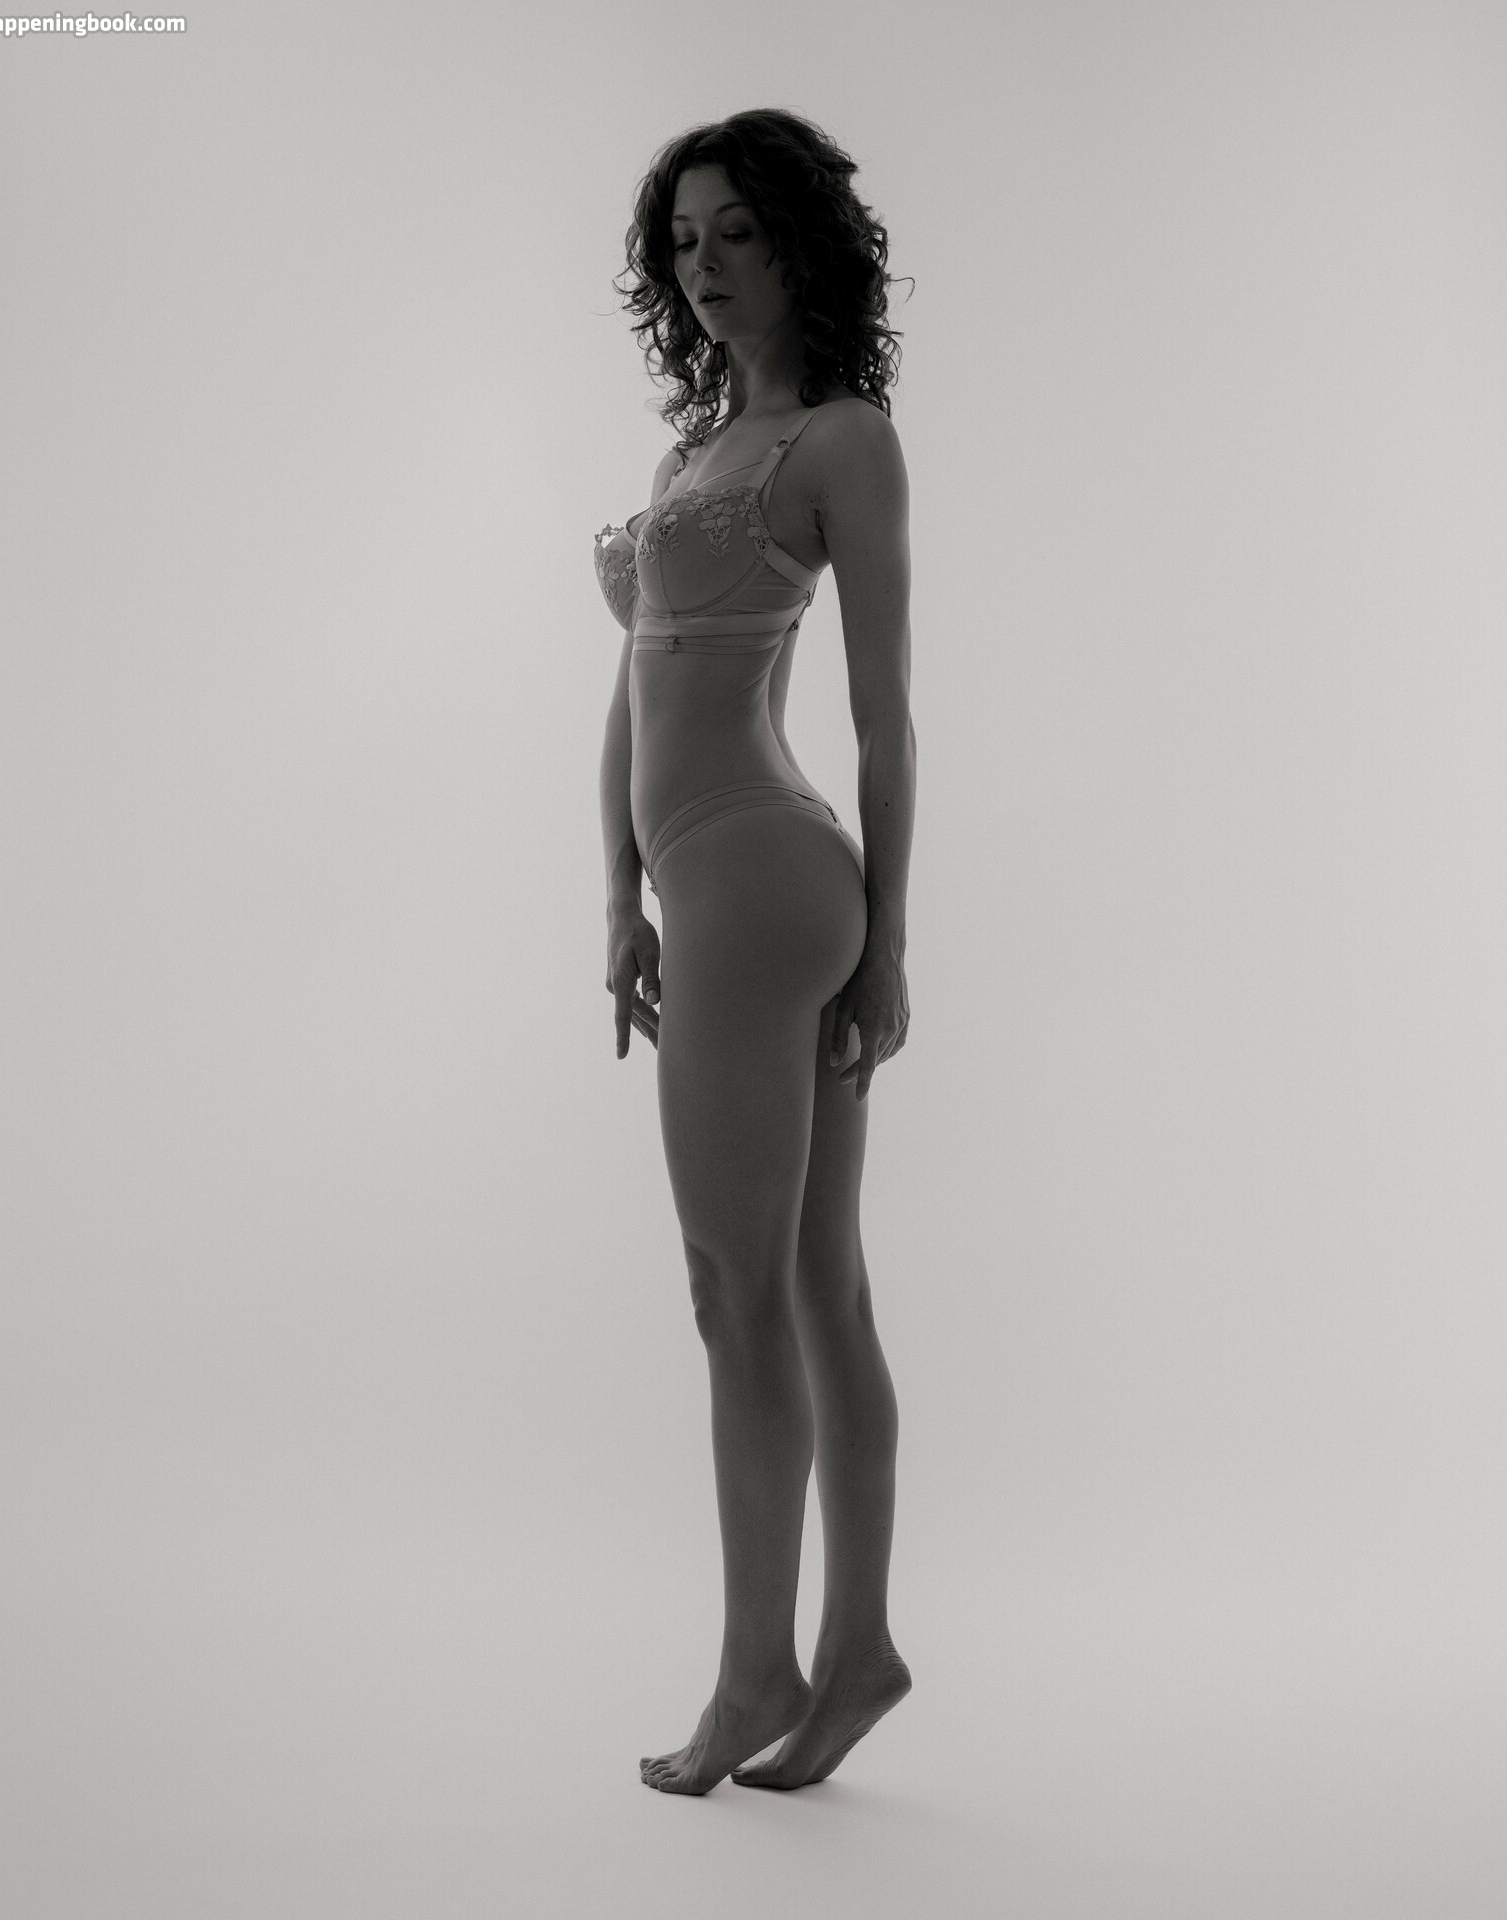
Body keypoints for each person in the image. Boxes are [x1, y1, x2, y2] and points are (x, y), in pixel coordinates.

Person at [594, 108, 916, 1796]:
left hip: (765, 882)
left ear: (801, 244)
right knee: (811, 1286)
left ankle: (752, 1678)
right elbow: (635, 693)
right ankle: (852, 1656)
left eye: (736, 233)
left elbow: (884, 719)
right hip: (707, 885)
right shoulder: (692, 459)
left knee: (737, 1295)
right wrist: (613, 893)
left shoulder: (840, 442)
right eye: (685, 240)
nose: (705, 266)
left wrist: (895, 946)